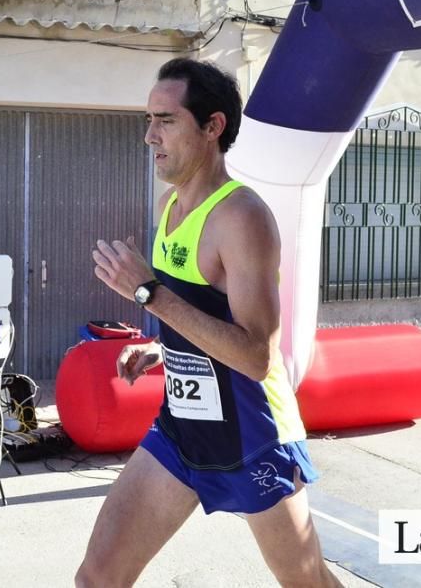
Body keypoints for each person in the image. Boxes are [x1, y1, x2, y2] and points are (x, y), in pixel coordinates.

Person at [77, 58, 341, 587]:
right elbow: (200, 314)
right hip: (183, 430)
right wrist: (164, 347)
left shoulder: (242, 217)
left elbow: (255, 356)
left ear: (212, 127)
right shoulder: (169, 206)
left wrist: (146, 292)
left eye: (166, 120)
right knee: (98, 578)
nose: (149, 135)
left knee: (307, 583)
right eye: (148, 120)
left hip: (254, 436)